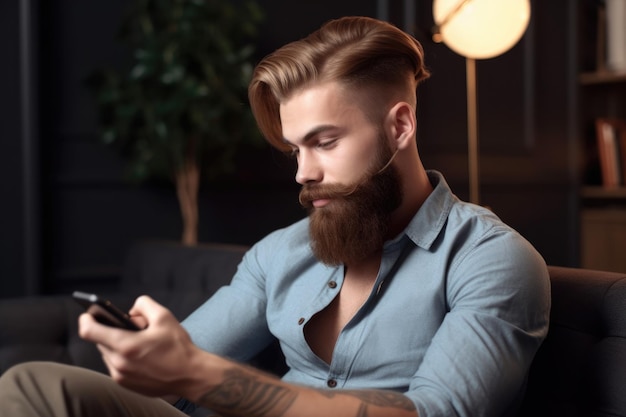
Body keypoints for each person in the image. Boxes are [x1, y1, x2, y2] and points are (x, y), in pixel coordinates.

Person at [0, 15, 550, 417]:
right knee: (34, 386)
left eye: (325, 141)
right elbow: (174, 376)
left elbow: (440, 413)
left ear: (400, 127)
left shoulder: (491, 258)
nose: (302, 173)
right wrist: (149, 356)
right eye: (295, 150)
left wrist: (200, 374)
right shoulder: (281, 253)